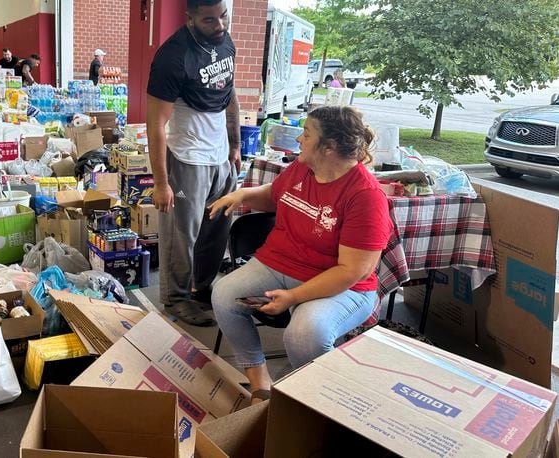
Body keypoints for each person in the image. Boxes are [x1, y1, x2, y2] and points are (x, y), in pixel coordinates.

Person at [208, 106, 393, 404]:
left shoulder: (366, 196)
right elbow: (275, 195)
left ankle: (320, 404)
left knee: (305, 335)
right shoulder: (304, 167)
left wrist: (294, 298)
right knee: (224, 295)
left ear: (329, 148)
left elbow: (350, 271)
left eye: (306, 134)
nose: (299, 140)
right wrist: (241, 195)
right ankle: (261, 385)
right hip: (280, 263)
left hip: (343, 286)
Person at [147, 0, 240, 327]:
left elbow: (229, 93)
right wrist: (161, 183)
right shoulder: (173, 56)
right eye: (209, 20)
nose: (219, 26)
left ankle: (202, 289)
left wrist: (236, 143)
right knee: (181, 236)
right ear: (190, 19)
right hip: (187, 157)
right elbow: (155, 123)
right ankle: (175, 299)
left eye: (223, 16)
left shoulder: (224, 41)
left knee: (216, 229)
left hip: (219, 157)